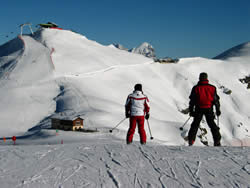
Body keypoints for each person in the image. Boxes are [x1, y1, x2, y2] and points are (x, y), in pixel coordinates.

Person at [188, 72, 222, 146]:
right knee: (212, 125)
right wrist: (218, 109)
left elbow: (192, 100)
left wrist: (191, 110)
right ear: (207, 78)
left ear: (199, 78)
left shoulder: (196, 88)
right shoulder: (212, 88)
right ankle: (217, 141)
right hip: (209, 108)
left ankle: (191, 141)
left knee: (195, 125)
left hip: (198, 108)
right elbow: (216, 100)